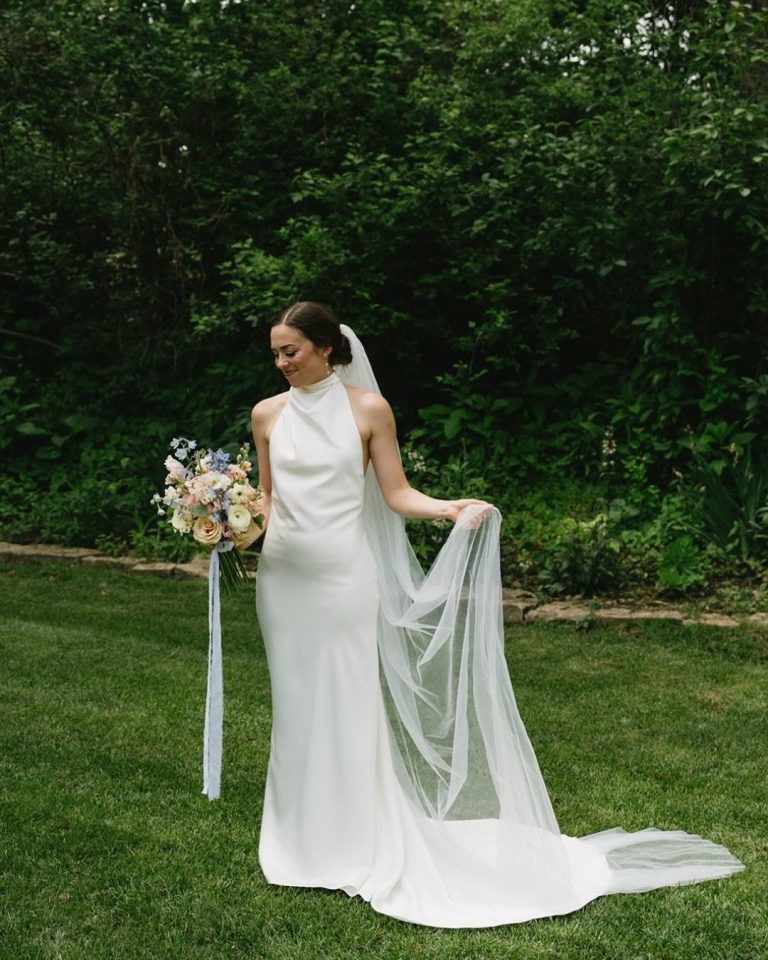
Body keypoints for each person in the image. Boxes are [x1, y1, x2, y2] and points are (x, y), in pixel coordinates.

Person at [244, 301, 743, 928]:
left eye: (290, 350)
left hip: (344, 578)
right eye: (275, 353)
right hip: (285, 578)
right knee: (295, 705)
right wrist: (224, 524)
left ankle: (353, 838)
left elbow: (395, 495)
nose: (281, 362)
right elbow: (265, 500)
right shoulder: (267, 414)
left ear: (326, 348)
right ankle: (296, 839)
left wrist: (449, 508)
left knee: (348, 700)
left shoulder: (367, 410)